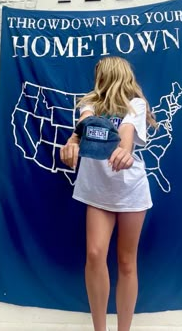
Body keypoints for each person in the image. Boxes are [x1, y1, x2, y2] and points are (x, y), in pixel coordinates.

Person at [60, 56, 157, 331]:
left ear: (111, 74)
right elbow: (84, 127)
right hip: (97, 190)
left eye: (100, 74)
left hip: (130, 190)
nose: (97, 79)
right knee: (94, 254)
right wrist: (71, 141)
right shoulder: (90, 103)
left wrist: (124, 152)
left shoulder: (136, 104)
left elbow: (126, 132)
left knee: (127, 261)